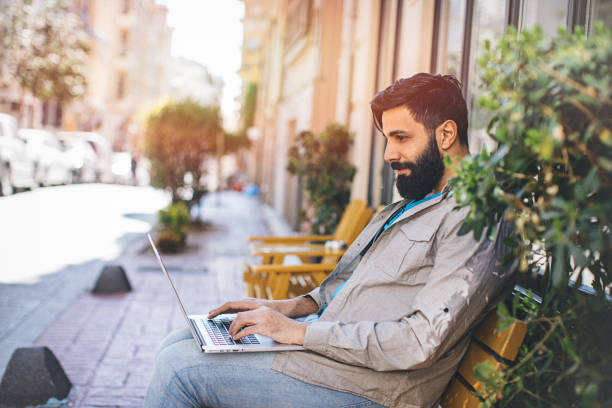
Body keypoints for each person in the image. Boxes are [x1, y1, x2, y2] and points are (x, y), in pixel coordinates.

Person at [145, 73, 515, 408]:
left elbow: (419, 341)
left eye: (401, 138)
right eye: (387, 139)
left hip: (367, 389)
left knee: (180, 370)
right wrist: (285, 309)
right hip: (327, 361)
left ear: (446, 135)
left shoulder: (472, 217)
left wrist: (299, 333)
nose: (389, 154)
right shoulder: (414, 202)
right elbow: (340, 289)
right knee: (178, 343)